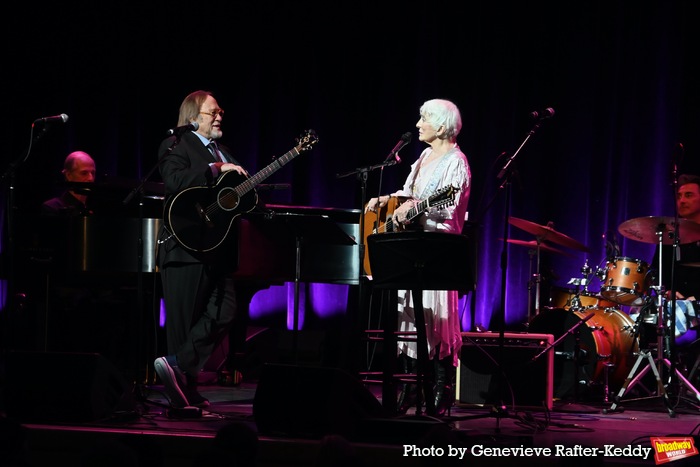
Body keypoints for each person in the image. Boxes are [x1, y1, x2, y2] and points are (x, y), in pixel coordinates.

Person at [364, 98, 471, 416]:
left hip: (437, 249)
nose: (417, 124)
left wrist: (416, 207)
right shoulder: (424, 156)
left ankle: (441, 387)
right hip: (412, 248)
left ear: (441, 126)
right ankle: (410, 386)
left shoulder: (457, 161)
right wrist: (388, 198)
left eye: (424, 119)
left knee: (434, 320)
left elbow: (447, 203)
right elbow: (412, 194)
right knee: (409, 315)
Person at [154, 90, 248, 409]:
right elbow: (175, 180)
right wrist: (214, 169)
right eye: (213, 111)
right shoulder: (176, 145)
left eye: (221, 110)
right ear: (193, 118)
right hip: (184, 247)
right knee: (183, 323)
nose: (220, 115)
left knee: (227, 308)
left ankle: (178, 365)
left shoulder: (226, 152)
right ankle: (184, 395)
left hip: (216, 248)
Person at [41, 150, 96, 216]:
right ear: (68, 175)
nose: (91, 178)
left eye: (93, 173)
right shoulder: (53, 208)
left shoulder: (97, 206)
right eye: (84, 173)